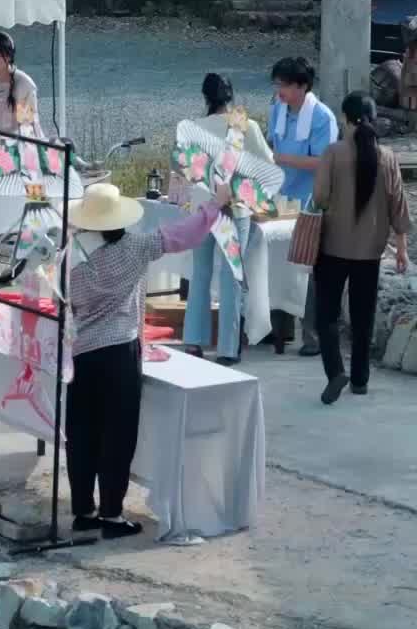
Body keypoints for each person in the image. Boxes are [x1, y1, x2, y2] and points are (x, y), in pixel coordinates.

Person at [67, 179, 228, 540]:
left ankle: (83, 510)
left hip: (81, 352)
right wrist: (213, 207)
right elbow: (182, 235)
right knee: (117, 435)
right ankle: (112, 514)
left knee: (81, 434)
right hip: (119, 350)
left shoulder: (71, 254)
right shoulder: (135, 247)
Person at [313, 91, 410, 405]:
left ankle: (335, 372)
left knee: (326, 315)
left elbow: (320, 197)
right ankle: (360, 380)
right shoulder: (388, 157)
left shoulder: (333, 153)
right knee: (363, 317)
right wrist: (402, 248)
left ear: (346, 118)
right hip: (370, 251)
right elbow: (398, 206)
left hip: (333, 247)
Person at [183, 72, 274, 365]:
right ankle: (227, 347)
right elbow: (267, 164)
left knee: (200, 274)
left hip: (203, 208)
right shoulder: (245, 125)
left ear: (205, 97)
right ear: (231, 96)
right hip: (235, 207)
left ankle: (193, 341)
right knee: (230, 277)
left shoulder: (194, 127)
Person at [267, 55, 338, 356]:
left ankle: (313, 337)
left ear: (302, 86)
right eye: (277, 84)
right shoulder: (277, 109)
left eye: (284, 85)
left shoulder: (322, 117)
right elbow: (270, 145)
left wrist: (281, 158)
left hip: (311, 201)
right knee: (277, 261)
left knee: (308, 270)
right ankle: (278, 330)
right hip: (280, 197)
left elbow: (324, 161)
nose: (279, 90)